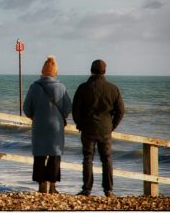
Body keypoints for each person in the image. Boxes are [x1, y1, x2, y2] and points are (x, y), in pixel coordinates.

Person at [72, 59, 125, 197]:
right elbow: (121, 111)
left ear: (91, 70)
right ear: (104, 71)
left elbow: (75, 109)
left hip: (88, 128)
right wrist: (112, 126)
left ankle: (87, 189)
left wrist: (80, 124)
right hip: (105, 129)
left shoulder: (83, 88)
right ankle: (108, 190)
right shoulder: (113, 89)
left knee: (88, 157)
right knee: (107, 158)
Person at [23, 55, 72, 194]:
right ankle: (52, 186)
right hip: (56, 127)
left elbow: (26, 108)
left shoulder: (35, 87)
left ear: (42, 71)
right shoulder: (61, 87)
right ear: (55, 72)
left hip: (39, 126)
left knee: (39, 155)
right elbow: (68, 107)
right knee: (54, 155)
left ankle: (41, 185)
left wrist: (35, 117)